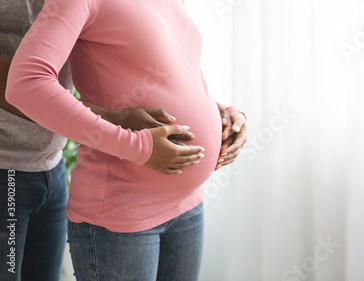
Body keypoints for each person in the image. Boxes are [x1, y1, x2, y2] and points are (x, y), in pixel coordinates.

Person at [4, 0, 247, 280]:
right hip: (122, 213)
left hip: (187, 204)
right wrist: (138, 146)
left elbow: (175, 70)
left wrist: (224, 115)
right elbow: (27, 84)